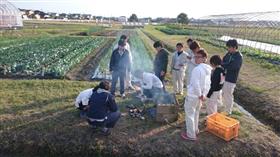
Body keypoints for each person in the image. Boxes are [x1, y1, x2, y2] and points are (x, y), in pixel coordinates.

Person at [181, 49, 212, 141]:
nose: (196, 59)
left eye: (199, 57)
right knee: (196, 113)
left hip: (193, 96)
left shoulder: (197, 69)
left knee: (189, 114)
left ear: (204, 58)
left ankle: (190, 135)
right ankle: (195, 130)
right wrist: (203, 95)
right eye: (196, 56)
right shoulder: (207, 69)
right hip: (200, 96)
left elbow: (195, 83)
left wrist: (200, 94)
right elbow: (207, 84)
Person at [222, 39, 243, 115]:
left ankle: (228, 111)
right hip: (225, 77)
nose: (228, 49)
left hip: (231, 79)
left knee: (228, 95)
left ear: (234, 47)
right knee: (224, 93)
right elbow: (223, 61)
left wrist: (225, 65)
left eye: (229, 47)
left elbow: (234, 67)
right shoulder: (228, 54)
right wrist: (224, 65)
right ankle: (225, 108)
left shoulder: (238, 56)